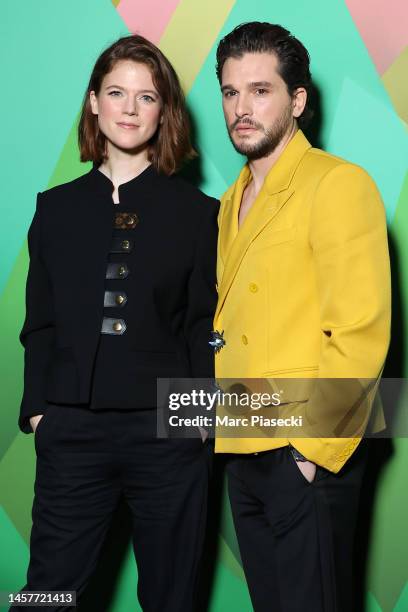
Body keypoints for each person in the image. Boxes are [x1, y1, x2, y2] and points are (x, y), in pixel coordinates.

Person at [14, 34, 218, 612]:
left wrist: (199, 419)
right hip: (71, 427)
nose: (130, 109)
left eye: (147, 97)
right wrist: (40, 409)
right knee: (48, 593)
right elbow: (42, 322)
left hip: (168, 432)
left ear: (164, 111)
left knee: (171, 595)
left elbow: (203, 324)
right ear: (93, 102)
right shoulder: (54, 208)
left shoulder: (200, 215)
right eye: (116, 93)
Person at [212, 22, 391, 612]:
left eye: (260, 91)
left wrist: (309, 454)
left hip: (307, 451)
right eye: (230, 92)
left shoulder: (338, 184)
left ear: (297, 101)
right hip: (243, 447)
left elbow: (359, 331)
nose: (241, 107)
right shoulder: (229, 204)